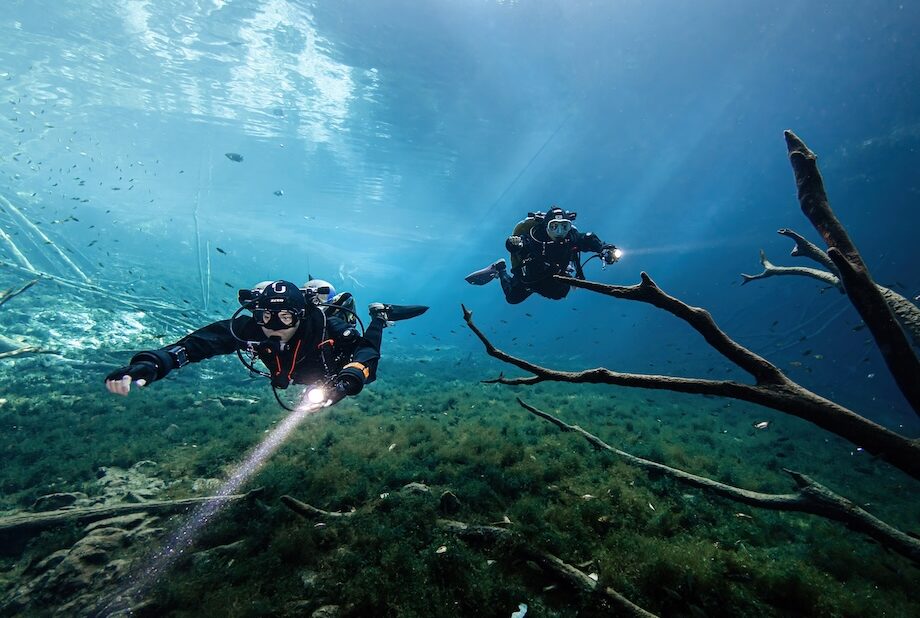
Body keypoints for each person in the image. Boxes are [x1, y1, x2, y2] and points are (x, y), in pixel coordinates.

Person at [104, 280, 427, 407]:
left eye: (285, 317)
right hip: (300, 375)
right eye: (265, 316)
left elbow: (366, 354)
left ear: (300, 315)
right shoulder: (251, 328)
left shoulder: (327, 327)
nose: (273, 326)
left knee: (370, 345)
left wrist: (349, 380)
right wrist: (153, 364)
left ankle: (380, 314)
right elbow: (200, 344)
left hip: (328, 365)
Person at [465, 206, 620, 304]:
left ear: (569, 226)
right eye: (554, 227)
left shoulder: (571, 237)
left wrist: (604, 249)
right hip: (530, 278)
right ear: (546, 226)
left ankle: (538, 286)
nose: (559, 232)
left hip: (555, 278)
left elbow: (588, 239)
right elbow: (515, 243)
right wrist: (515, 243)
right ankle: (500, 268)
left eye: (564, 227)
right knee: (512, 299)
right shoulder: (535, 237)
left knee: (560, 293)